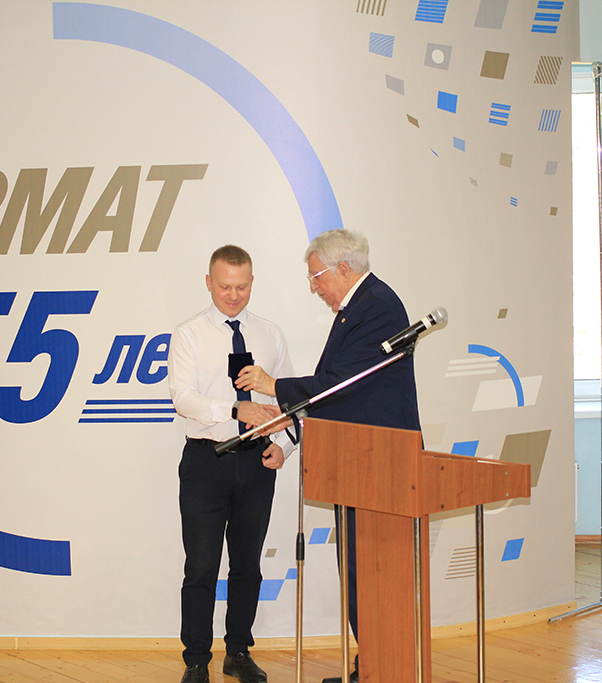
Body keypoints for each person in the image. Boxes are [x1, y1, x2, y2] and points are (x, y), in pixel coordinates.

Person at [236, 229, 421, 683]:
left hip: (380, 461)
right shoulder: (357, 309)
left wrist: (273, 387)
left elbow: (343, 385)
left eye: (316, 276)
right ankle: (371, 667)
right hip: (360, 459)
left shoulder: (376, 307)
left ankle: (380, 669)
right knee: (360, 572)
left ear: (343, 268)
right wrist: (291, 419)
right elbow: (343, 391)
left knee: (374, 573)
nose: (313, 287)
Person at [168, 245, 296, 683]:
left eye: (241, 287)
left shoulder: (271, 334)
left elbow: (290, 400)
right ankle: (196, 661)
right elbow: (183, 398)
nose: (234, 295)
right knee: (201, 567)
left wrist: (285, 447)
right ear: (209, 283)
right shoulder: (188, 334)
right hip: (206, 462)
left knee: (247, 565)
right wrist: (234, 409)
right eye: (225, 286)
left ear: (252, 283)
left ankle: (238, 652)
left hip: (257, 462)